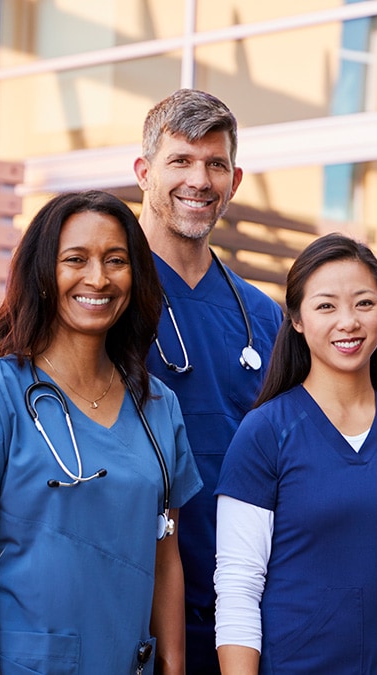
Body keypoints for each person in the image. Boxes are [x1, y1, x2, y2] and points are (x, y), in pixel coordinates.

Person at [0, 191, 202, 674]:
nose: (98, 278)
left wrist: (174, 666)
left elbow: (166, 555)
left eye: (115, 260)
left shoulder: (158, 407)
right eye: (75, 259)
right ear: (44, 273)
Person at [212, 233, 377, 674]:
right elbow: (238, 587)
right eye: (326, 306)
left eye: (364, 303)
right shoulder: (265, 433)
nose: (349, 321)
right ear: (298, 319)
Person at [134, 88, 283, 673]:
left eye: (215, 164)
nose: (199, 179)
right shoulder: (104, 296)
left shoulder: (264, 316)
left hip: (239, 614)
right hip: (132, 599)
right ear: (144, 171)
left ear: (235, 179)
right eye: (181, 160)